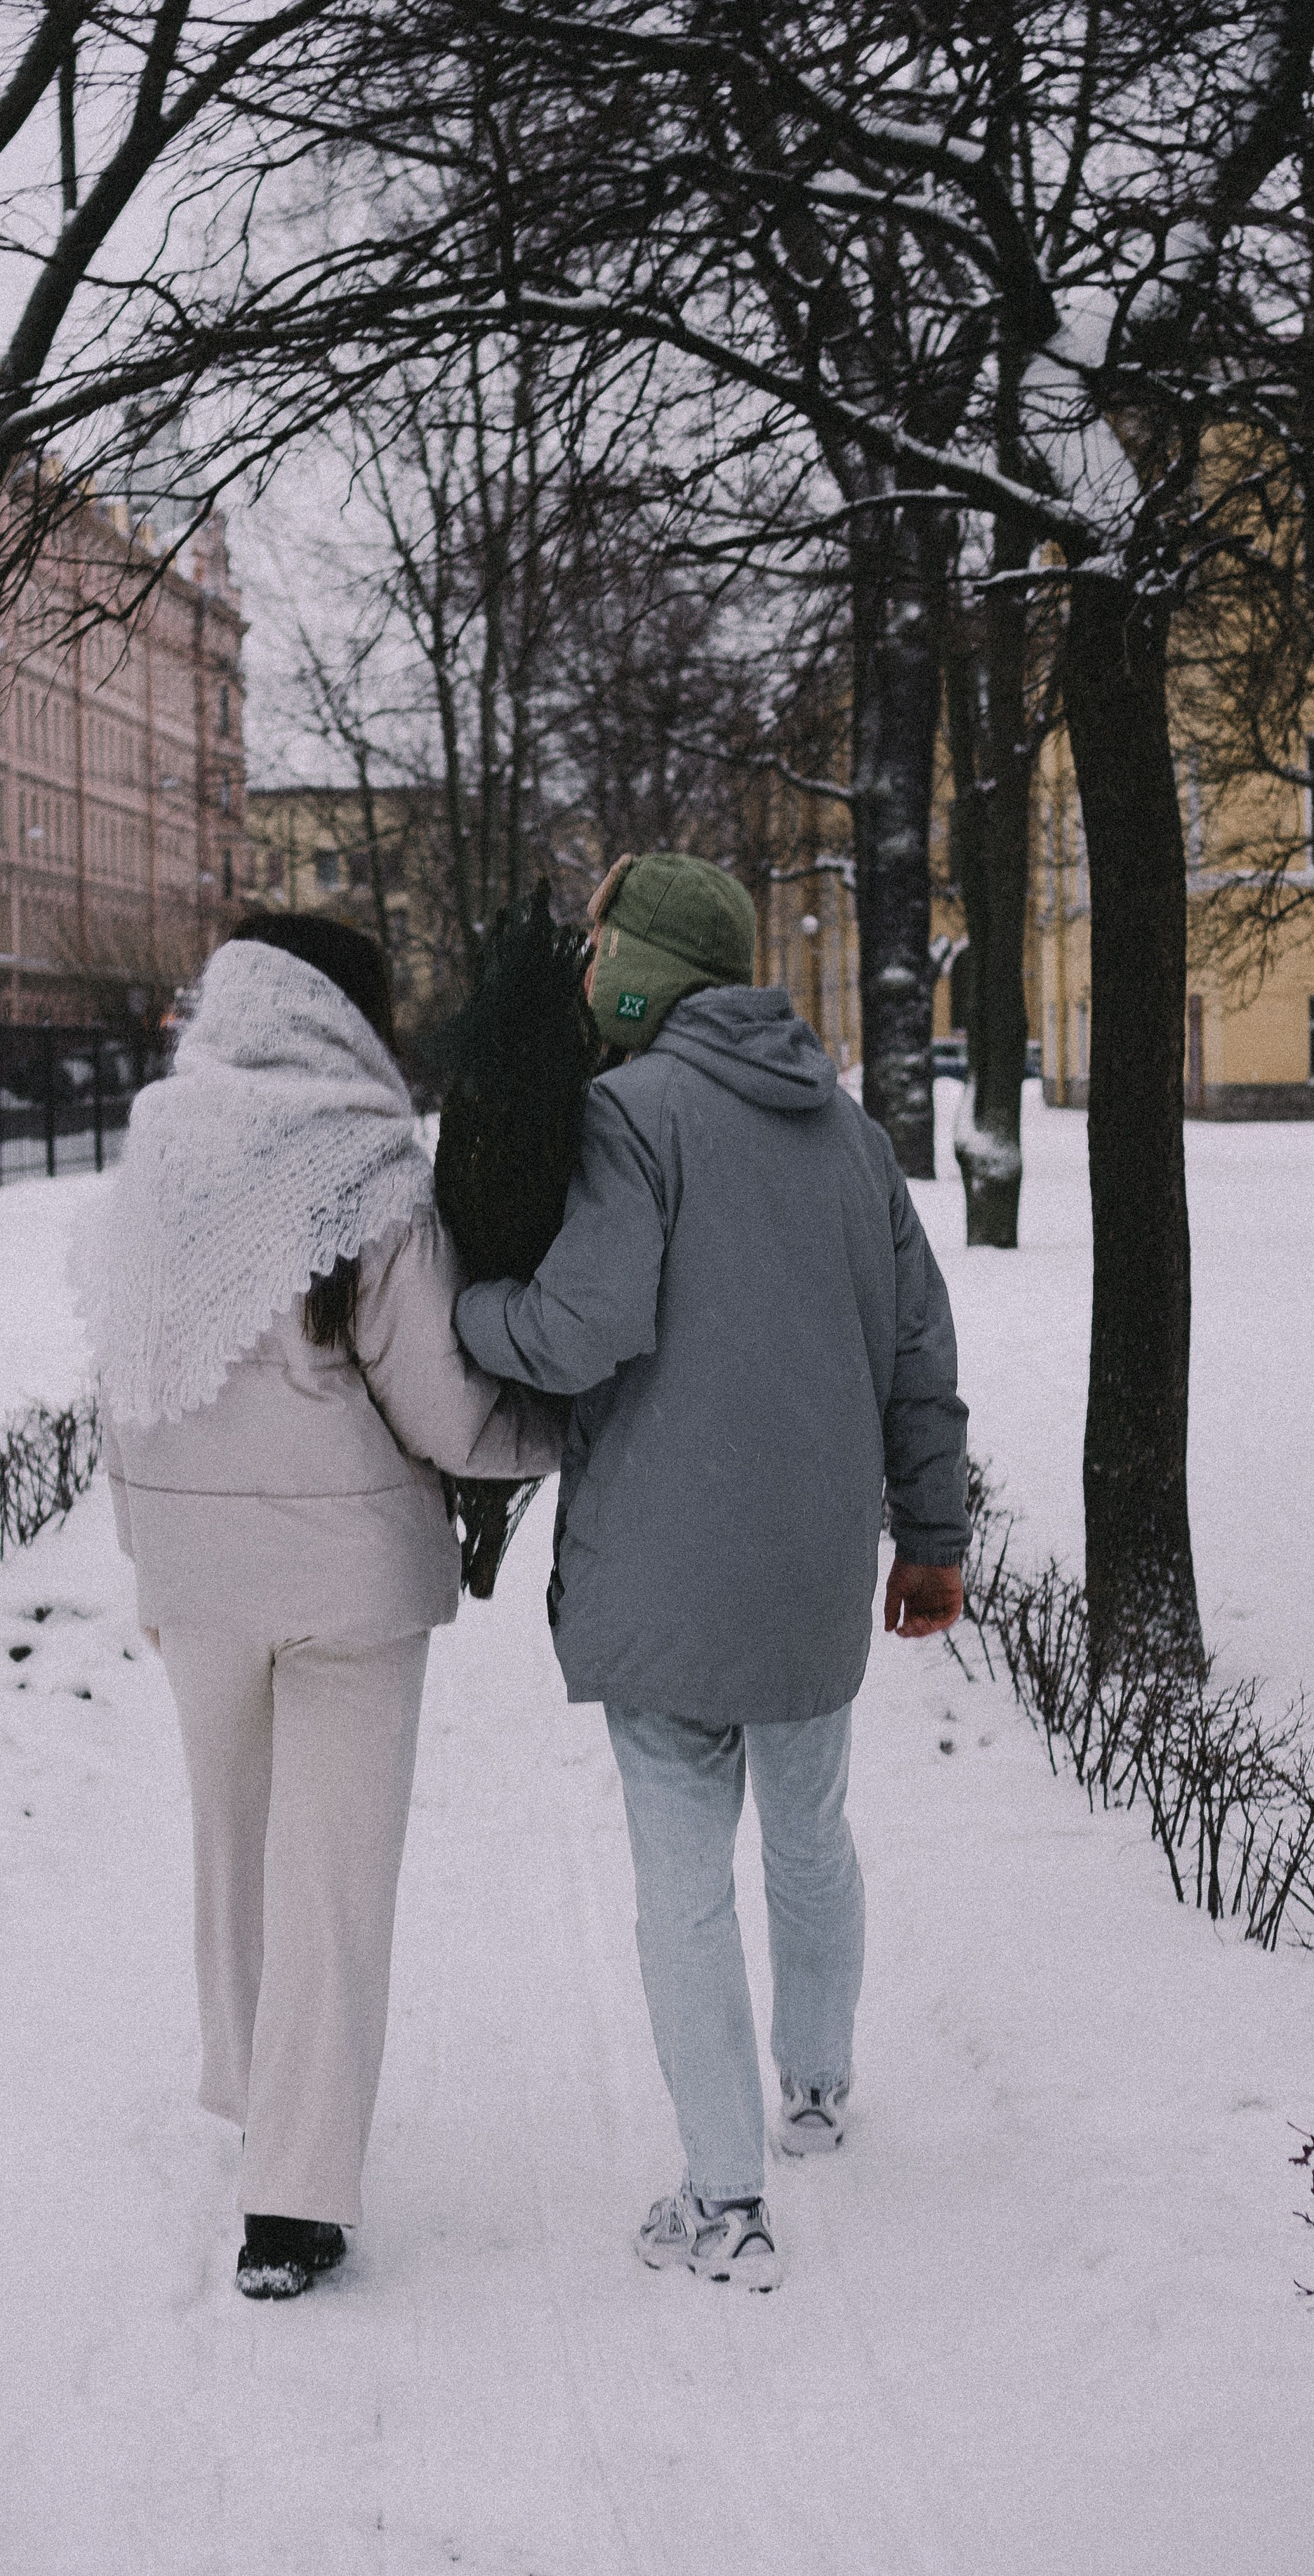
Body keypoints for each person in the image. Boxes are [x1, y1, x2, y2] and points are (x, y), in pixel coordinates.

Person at [453, 851, 968, 2290]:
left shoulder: (632, 1115)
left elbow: (581, 1329)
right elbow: (920, 1351)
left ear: (649, 965)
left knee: (681, 1876)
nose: (585, 961)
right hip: (809, 1565)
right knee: (809, 1834)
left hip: (667, 1574)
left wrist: (474, 1309)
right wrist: (927, 1535)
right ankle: (814, 2089)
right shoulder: (850, 1134)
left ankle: (722, 2197)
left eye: (603, 938)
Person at [74, 916, 564, 2301]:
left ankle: (250, 2096)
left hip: (193, 1575)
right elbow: (449, 1414)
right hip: (347, 1586)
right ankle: (288, 2203)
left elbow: (122, 1381)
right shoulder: (369, 1172)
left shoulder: (152, 1159)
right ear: (344, 1018)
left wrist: (144, 1555)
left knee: (232, 1852)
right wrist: (565, 1430)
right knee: (332, 1882)